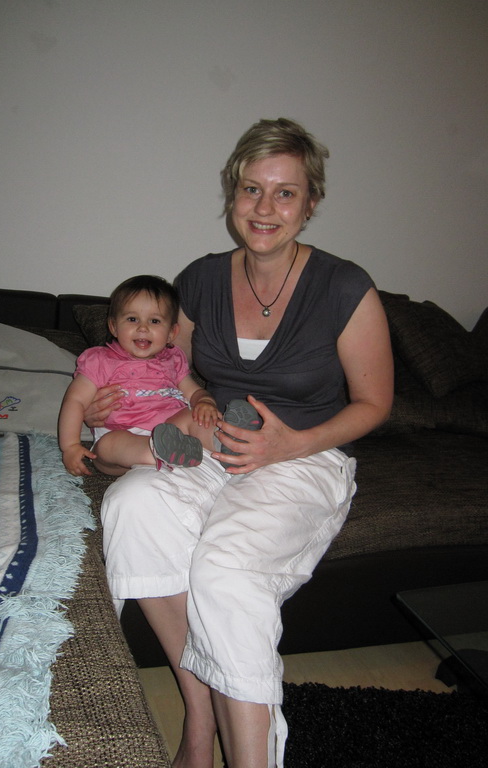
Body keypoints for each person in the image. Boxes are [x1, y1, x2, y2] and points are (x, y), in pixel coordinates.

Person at [88, 118, 394, 767]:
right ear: (233, 194)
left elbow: (375, 403)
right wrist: (137, 404)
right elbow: (173, 369)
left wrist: (291, 444)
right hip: (213, 444)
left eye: (285, 193)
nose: (264, 208)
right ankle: (200, 720)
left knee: (225, 572)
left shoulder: (344, 286)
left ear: (310, 203)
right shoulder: (199, 279)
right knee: (132, 506)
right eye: (252, 189)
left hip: (305, 454)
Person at [58, 275, 219, 477]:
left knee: (196, 416)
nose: (143, 328)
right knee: (109, 445)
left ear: (171, 333)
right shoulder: (100, 360)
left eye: (154, 321)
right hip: (121, 434)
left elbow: (193, 391)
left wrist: (205, 402)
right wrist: (70, 445)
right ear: (113, 326)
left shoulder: (173, 359)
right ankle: (161, 453)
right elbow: (75, 400)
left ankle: (221, 444)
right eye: (132, 319)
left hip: (172, 430)